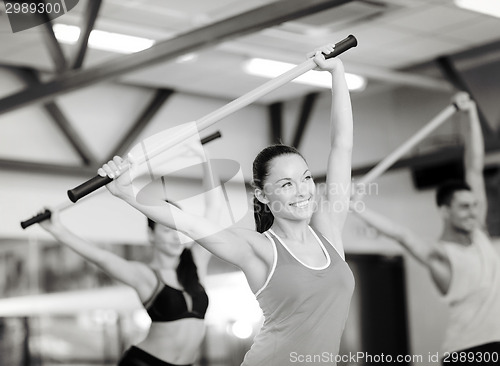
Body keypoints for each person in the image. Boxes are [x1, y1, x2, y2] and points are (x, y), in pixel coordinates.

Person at [99, 44, 355, 365]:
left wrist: (337, 73)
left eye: (305, 178)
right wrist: (127, 193)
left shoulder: (329, 231)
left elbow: (341, 146)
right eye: (286, 184)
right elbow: (191, 224)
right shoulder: (259, 248)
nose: (302, 191)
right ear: (262, 194)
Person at [351, 93, 500, 365]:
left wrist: (469, 115)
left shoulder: (478, 232)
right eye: (464, 207)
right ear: (445, 211)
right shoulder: (439, 254)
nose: (473, 212)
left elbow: (474, 167)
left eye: (474, 205)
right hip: (467, 352)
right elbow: (402, 235)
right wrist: (358, 208)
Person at [39, 149, 219, 366]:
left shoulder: (196, 261)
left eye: (179, 230)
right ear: (151, 236)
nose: (176, 237)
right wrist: (57, 230)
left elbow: (214, 210)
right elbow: (101, 257)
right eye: (167, 230)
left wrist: (205, 159)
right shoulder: (145, 275)